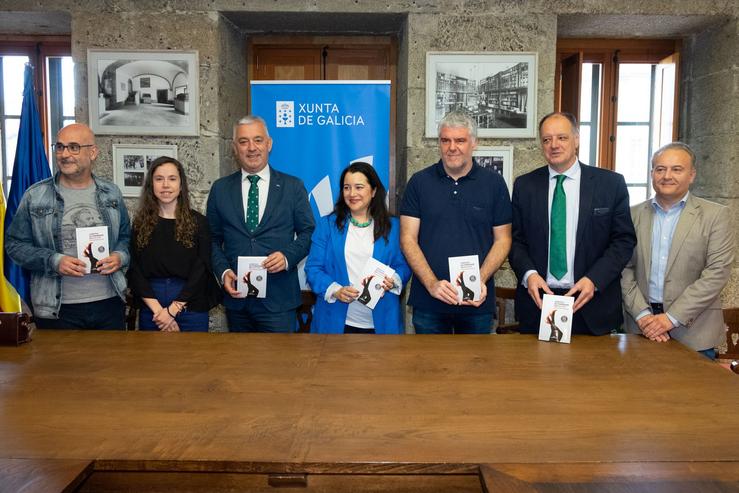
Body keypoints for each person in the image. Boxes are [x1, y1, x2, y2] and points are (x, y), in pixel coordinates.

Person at [508, 112, 636, 335]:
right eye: (547, 140)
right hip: (539, 304)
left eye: (562, 138)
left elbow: (623, 241)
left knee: (592, 371)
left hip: (592, 304)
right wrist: (529, 275)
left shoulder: (610, 184)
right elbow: (516, 241)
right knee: (536, 370)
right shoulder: (524, 186)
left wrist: (594, 280)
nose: (554, 145)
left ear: (576, 140)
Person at [5, 123, 130, 329]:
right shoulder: (35, 196)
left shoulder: (112, 193)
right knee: (59, 363)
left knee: (111, 362)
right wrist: (54, 261)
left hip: (109, 302)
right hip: (56, 308)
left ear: (93, 152)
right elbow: (14, 245)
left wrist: (120, 257)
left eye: (73, 147)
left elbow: (125, 238)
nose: (64, 154)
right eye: (60, 147)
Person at [399, 110, 512, 334]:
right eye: (445, 140)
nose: (452, 147)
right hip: (429, 302)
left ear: (474, 143)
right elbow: (407, 239)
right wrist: (432, 284)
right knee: (428, 367)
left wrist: (477, 279)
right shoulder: (419, 183)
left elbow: (503, 239)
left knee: (475, 368)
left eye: (460, 140)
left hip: (476, 304)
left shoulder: (494, 184)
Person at [621, 142, 734, 358]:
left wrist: (670, 318)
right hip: (641, 326)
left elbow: (716, 273)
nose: (667, 176)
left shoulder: (715, 216)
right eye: (660, 169)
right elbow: (624, 268)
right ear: (652, 173)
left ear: (691, 175)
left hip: (694, 331)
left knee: (694, 392)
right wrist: (643, 314)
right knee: (639, 391)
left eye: (677, 169)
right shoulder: (632, 215)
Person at [207, 115, 315, 332]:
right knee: (240, 365)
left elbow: (308, 232)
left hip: (279, 300)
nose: (251, 148)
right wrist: (223, 271)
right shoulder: (220, 189)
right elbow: (212, 239)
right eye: (243, 141)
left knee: (277, 365)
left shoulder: (292, 186)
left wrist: (286, 257)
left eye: (258, 140)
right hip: (237, 298)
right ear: (234, 147)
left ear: (269, 144)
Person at [305, 162, 410, 334]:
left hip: (382, 324)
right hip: (335, 322)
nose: (352, 194)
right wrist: (335, 290)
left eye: (359, 187)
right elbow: (313, 268)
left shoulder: (394, 227)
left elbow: (404, 265)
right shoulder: (327, 225)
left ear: (374, 191)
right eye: (347, 188)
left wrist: (394, 279)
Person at [128, 157, 221, 332]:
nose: (165, 185)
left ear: (181, 184)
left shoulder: (199, 222)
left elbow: (201, 270)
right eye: (159, 179)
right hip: (152, 309)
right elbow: (134, 269)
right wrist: (159, 312)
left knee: (193, 359)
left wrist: (172, 311)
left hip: (190, 307)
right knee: (153, 359)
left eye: (172, 179)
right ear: (151, 185)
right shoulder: (140, 223)